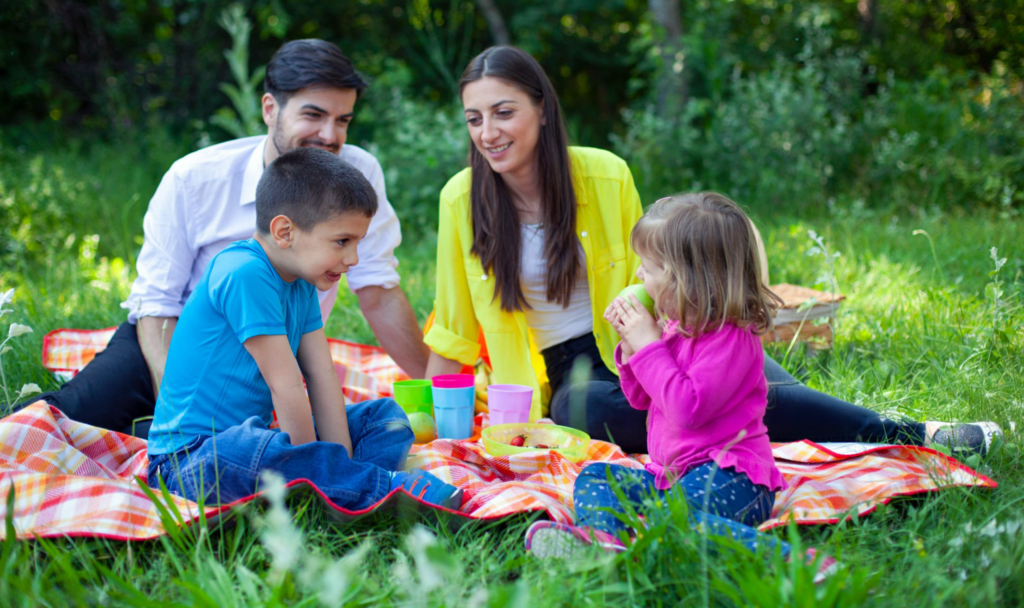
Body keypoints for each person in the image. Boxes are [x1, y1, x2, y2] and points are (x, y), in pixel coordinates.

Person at [424, 45, 1000, 455]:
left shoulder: (604, 174)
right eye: (475, 119)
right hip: (564, 378)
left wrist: (666, 341)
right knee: (593, 412)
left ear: (543, 110)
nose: (488, 133)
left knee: (751, 375)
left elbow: (656, 276)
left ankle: (916, 433)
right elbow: (452, 327)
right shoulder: (460, 199)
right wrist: (431, 426)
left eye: (504, 112)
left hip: (652, 334)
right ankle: (890, 433)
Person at [18, 40, 429, 438]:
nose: (329, 135)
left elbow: (378, 290)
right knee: (63, 419)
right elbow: (157, 305)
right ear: (270, 109)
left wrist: (437, 387)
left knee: (328, 431)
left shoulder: (355, 174)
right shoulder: (194, 178)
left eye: (343, 120)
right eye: (313, 115)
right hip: (178, 347)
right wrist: (177, 411)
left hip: (276, 353)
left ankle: (142, 434)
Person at [525, 192, 837, 582]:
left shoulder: (731, 339)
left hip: (733, 476)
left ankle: (790, 562)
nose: (639, 276)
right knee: (597, 476)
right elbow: (641, 398)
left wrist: (648, 346)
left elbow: (687, 409)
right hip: (674, 478)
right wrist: (631, 349)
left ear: (685, 279)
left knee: (674, 521)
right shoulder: (674, 327)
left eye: (648, 268)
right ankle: (602, 541)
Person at [147, 147, 462, 511]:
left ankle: (351, 489)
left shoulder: (301, 281)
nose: (353, 259)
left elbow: (322, 375)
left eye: (357, 243)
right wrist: (321, 466)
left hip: (263, 439)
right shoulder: (243, 272)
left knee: (385, 419)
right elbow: (287, 387)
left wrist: (337, 463)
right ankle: (379, 489)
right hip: (190, 461)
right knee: (248, 450)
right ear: (285, 232)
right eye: (342, 241)